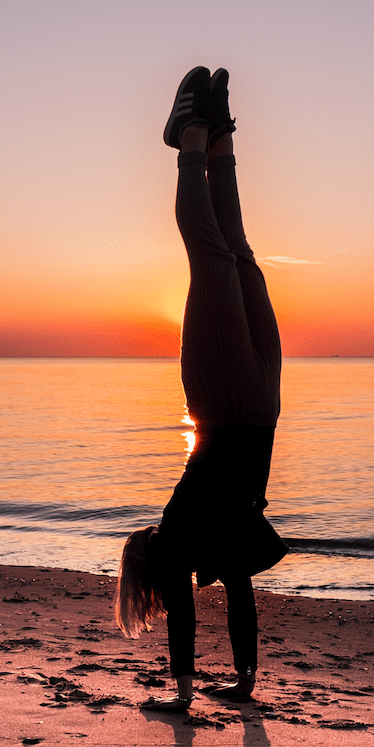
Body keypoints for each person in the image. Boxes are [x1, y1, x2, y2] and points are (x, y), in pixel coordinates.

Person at [115, 66, 288, 712]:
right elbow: (231, 592)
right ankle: (204, 138)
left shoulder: (178, 534)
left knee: (228, 253)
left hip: (255, 407)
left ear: (150, 564)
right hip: (236, 405)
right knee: (229, 252)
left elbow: (208, 598)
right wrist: (221, 689)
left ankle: (202, 137)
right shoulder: (188, 533)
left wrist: (193, 693)